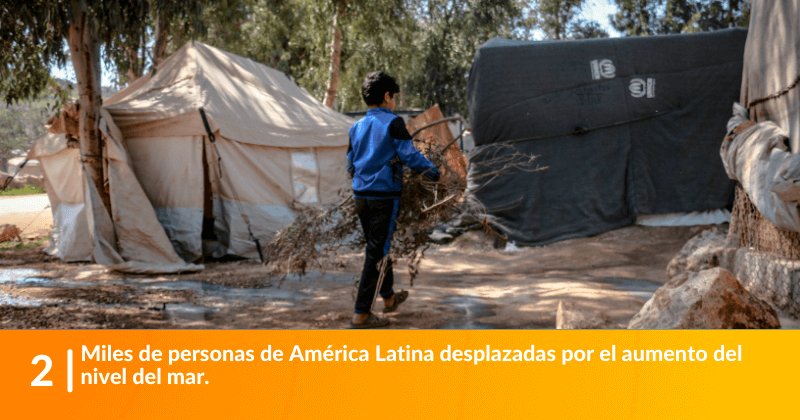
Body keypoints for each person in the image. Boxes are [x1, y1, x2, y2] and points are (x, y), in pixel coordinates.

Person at [347, 71, 440, 328]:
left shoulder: (355, 127)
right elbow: (409, 155)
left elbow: (350, 165)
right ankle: (361, 314)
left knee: (378, 246)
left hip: (360, 198)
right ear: (387, 97)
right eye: (394, 97)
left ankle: (388, 298)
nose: (395, 102)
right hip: (383, 197)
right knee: (376, 252)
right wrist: (434, 172)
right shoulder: (393, 123)